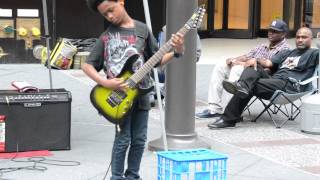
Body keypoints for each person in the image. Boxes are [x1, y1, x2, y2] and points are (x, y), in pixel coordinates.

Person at [83, 0, 185, 179]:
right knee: (123, 140)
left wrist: (177, 51)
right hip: (118, 97)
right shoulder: (106, 37)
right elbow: (87, 65)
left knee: (139, 140)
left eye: (111, 10)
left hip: (142, 94)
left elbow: (156, 59)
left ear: (120, 2)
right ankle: (116, 177)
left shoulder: (142, 30)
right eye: (105, 14)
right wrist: (104, 82)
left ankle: (133, 176)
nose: (110, 16)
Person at [208, 27, 319, 129]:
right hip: (275, 80)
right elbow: (268, 63)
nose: (300, 40)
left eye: (304, 37)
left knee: (250, 85)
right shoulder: (288, 52)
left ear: (311, 38)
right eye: (298, 37)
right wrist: (255, 60)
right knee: (253, 66)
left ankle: (228, 118)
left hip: (290, 85)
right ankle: (242, 87)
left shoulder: (314, 53)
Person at [196, 19, 290, 119]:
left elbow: (267, 66)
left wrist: (240, 63)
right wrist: (233, 59)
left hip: (264, 79)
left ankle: (231, 112)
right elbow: (246, 56)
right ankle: (214, 109)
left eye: (275, 31)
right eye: (270, 30)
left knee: (236, 69)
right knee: (221, 64)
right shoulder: (263, 46)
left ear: (283, 34)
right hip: (246, 71)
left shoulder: (285, 49)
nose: (271, 33)